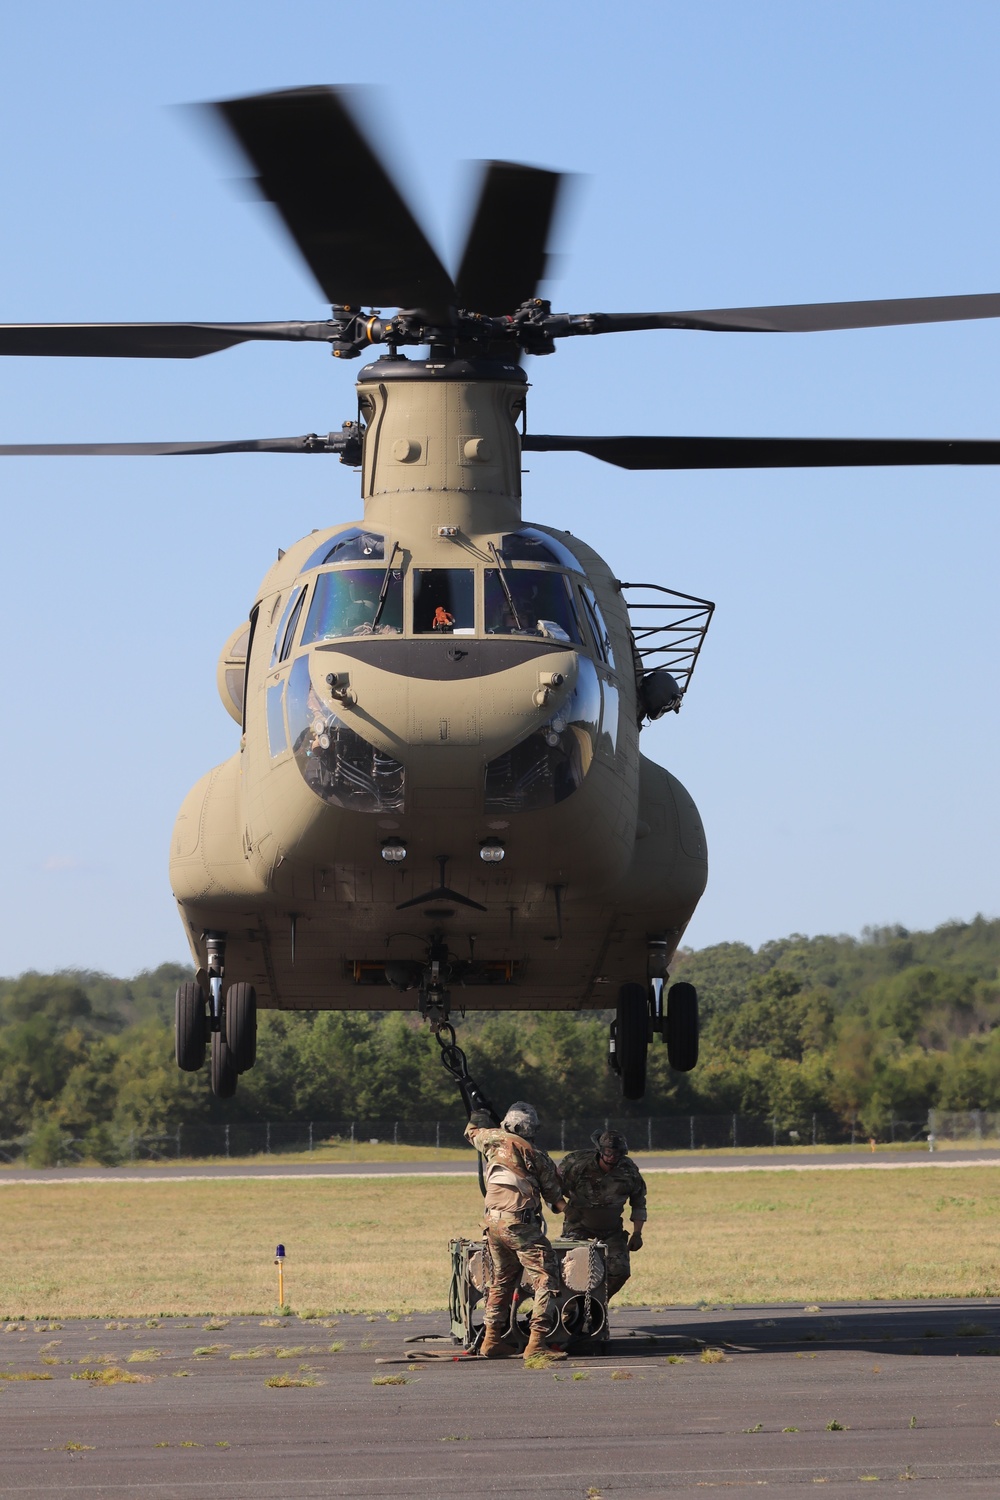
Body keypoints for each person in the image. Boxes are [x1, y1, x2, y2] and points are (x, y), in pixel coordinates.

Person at [465, 1102, 568, 1360]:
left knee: (502, 1280)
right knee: (546, 1277)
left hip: (493, 1225)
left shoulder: (491, 1138)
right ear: (533, 1129)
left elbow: (471, 1130)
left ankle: (491, 1340)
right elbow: (555, 1201)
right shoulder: (537, 1155)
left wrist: (479, 1110)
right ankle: (536, 1344)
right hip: (519, 1225)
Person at [559, 1130, 647, 1303]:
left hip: (611, 1230)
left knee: (620, 1271)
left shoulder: (629, 1171)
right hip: (579, 1226)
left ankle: (594, 1305)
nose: (612, 1157)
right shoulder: (579, 1166)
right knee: (572, 1270)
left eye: (617, 1153)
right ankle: (569, 1306)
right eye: (608, 1152)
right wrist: (567, 1209)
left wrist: (637, 1233)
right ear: (600, 1151)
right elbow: (552, 1191)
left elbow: (638, 1202)